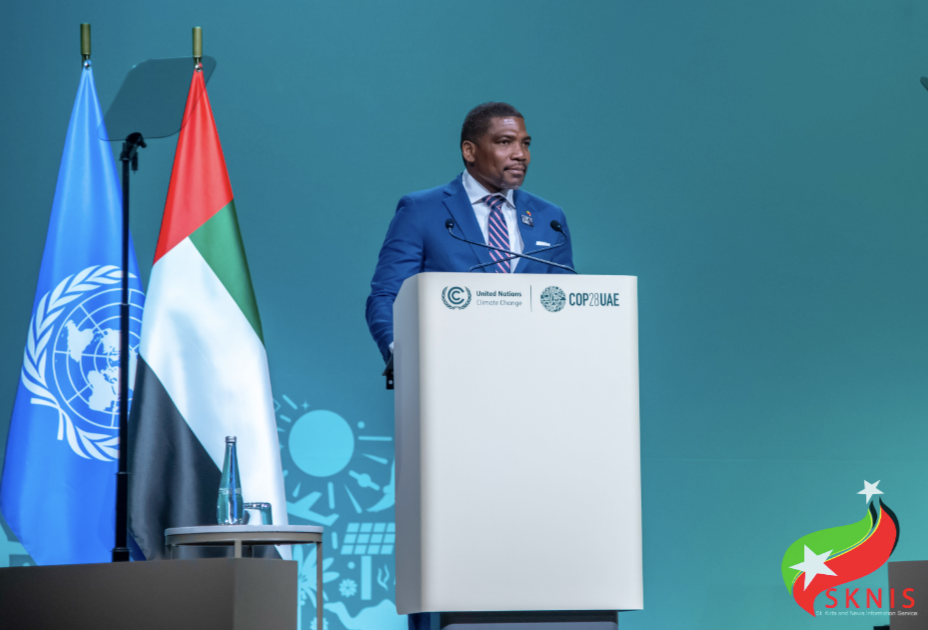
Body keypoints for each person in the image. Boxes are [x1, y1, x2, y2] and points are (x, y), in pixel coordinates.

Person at [365, 102, 575, 362]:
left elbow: (565, 300)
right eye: (505, 142)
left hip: (534, 363)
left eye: (526, 144)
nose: (521, 154)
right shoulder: (420, 210)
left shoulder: (550, 218)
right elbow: (388, 295)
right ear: (469, 151)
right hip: (448, 365)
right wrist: (402, 356)